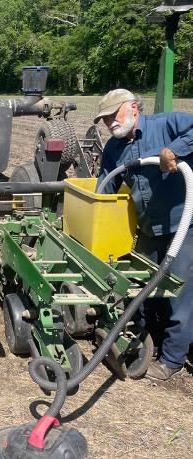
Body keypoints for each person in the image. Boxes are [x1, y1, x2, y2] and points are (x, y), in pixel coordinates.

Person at [95, 88, 193, 381]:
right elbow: (105, 189)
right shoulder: (113, 149)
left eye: (114, 115)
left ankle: (172, 359)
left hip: (184, 226)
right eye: (105, 120)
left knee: (182, 294)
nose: (110, 123)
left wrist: (174, 150)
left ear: (134, 108)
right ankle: (146, 339)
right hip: (149, 228)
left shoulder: (166, 125)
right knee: (146, 288)